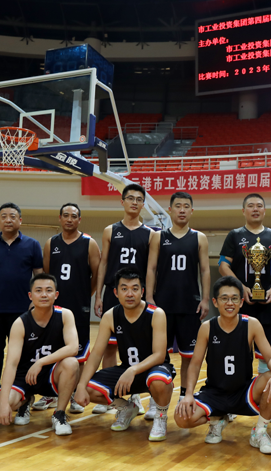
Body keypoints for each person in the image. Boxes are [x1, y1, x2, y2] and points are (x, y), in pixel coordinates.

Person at [174, 276, 271, 455]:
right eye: (224, 298)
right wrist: (188, 395)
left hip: (243, 391)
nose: (230, 303)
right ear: (215, 302)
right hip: (214, 393)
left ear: (241, 302)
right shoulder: (207, 327)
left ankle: (260, 432)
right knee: (181, 418)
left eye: (234, 298)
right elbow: (194, 364)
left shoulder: (252, 324)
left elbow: (270, 357)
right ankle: (217, 420)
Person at [75, 267, 175, 442]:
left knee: (159, 380)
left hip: (154, 368)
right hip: (127, 371)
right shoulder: (110, 316)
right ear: (116, 292)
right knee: (89, 388)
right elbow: (96, 354)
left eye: (135, 289)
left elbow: (159, 355)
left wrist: (132, 370)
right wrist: (81, 386)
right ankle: (127, 408)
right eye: (124, 289)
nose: (130, 294)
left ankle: (160, 417)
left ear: (142, 291)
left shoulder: (156, 314)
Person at [219, 193, 271, 424]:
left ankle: (267, 403)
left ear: (264, 210)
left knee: (267, 358)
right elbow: (223, 265)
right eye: (250, 206)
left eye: (259, 205)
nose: (255, 209)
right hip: (240, 306)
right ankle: (231, 402)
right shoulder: (235, 235)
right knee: (237, 355)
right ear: (243, 211)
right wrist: (242, 288)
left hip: (268, 306)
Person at [145, 192, 210, 418]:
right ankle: (156, 399)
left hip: (189, 305)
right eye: (178, 206)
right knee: (159, 354)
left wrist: (205, 299)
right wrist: (150, 298)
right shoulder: (158, 237)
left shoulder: (199, 238)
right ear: (170, 210)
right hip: (162, 305)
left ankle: (184, 395)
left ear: (192, 210)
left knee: (188, 355)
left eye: (186, 206)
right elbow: (151, 268)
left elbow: (205, 270)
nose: (182, 210)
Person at [33, 203, 100, 414]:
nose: (69, 219)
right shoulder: (51, 243)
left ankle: (75, 394)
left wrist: (87, 294)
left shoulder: (89, 243)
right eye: (66, 215)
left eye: (74, 216)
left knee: (78, 353)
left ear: (79, 219)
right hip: (53, 308)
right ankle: (51, 393)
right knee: (52, 348)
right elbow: (45, 275)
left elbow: (97, 274)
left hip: (79, 306)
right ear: (60, 218)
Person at [93, 184, 154, 415]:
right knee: (109, 346)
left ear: (143, 204)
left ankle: (135, 393)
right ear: (122, 201)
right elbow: (103, 264)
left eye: (139, 199)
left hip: (136, 296)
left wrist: (149, 296)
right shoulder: (110, 230)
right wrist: (99, 295)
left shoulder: (151, 234)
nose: (134, 202)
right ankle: (110, 395)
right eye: (130, 198)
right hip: (113, 293)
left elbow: (151, 268)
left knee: (137, 345)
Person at [0, 273, 80, 436]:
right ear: (30, 295)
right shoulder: (20, 323)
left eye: (49, 290)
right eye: (39, 290)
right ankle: (25, 401)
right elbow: (11, 364)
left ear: (56, 295)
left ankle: (59, 414)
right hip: (25, 375)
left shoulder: (65, 315)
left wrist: (41, 362)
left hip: (51, 373)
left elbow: (73, 348)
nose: (44, 295)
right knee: (0, 404)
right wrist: (4, 403)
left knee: (71, 363)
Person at [0, 202, 43, 395]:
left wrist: (35, 301)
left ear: (20, 220)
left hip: (22, 311)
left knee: (22, 354)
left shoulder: (32, 244)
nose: (8, 220)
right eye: (4, 216)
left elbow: (39, 274)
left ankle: (21, 393)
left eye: (13, 216)